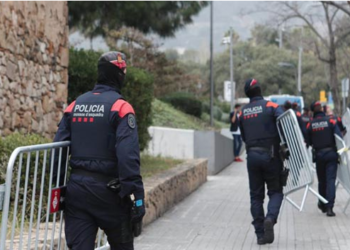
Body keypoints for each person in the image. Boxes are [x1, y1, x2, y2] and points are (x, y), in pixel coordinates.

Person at [53, 51, 145, 250]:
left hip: (76, 193)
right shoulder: (121, 108)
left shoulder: (74, 106)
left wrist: (58, 190)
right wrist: (137, 197)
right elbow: (128, 156)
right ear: (119, 76)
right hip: (110, 194)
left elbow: (58, 151)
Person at [239, 78, 285, 245]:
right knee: (275, 191)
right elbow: (285, 125)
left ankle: (260, 235)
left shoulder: (242, 112)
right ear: (260, 90)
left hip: (252, 157)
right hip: (271, 156)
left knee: (256, 197)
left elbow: (244, 137)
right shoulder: (271, 106)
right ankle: (270, 219)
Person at [306, 101, 342, 217]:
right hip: (331, 153)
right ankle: (330, 208)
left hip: (319, 155)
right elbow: (339, 137)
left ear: (312, 111)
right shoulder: (331, 121)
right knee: (330, 180)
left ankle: (322, 203)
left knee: (322, 181)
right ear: (322, 109)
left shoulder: (310, 124)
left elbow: (308, 141)